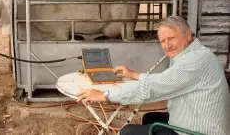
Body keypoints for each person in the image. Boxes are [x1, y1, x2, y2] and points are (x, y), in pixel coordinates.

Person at [78, 16, 230, 135]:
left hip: (197, 132)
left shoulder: (193, 61)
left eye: (171, 38)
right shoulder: (195, 54)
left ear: (188, 35)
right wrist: (134, 74)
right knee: (149, 118)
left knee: (126, 132)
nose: (167, 45)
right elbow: (167, 79)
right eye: (162, 41)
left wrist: (105, 95)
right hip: (197, 121)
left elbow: (153, 88)